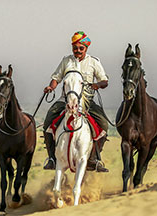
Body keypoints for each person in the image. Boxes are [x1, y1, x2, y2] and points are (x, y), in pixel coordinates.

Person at [43, 31, 109, 172]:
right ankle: (52, 158)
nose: (77, 51)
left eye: (81, 48)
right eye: (75, 48)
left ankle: (94, 159)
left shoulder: (93, 62)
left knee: (103, 124)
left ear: (86, 48)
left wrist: (98, 85)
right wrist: (51, 87)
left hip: (87, 101)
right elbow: (56, 77)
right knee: (48, 120)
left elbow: (104, 80)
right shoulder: (66, 61)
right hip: (65, 100)